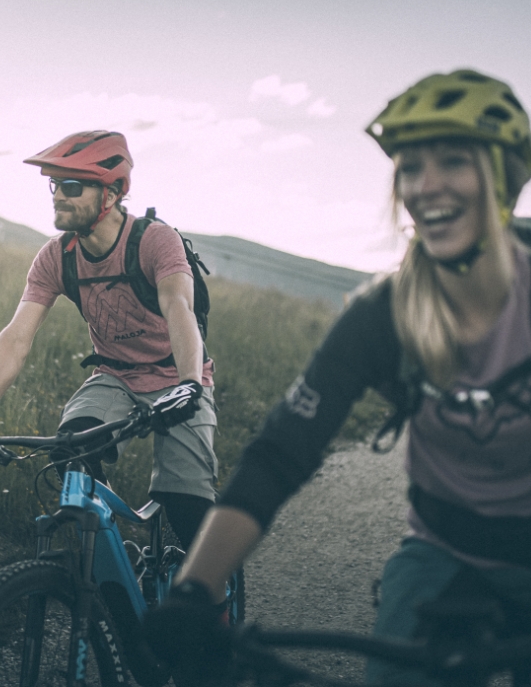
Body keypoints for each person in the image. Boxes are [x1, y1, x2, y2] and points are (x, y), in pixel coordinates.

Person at [142, 69, 531, 685]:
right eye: (409, 168)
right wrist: (194, 591)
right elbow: (278, 455)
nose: (425, 187)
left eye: (452, 161)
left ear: (503, 177)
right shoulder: (384, 315)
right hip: (443, 551)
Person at [0, 130, 217, 552]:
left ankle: (210, 609)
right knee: (70, 452)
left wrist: (191, 383)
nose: (58, 196)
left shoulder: (154, 240)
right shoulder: (56, 257)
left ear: (112, 192)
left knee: (186, 504)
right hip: (115, 377)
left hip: (179, 374)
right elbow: (14, 341)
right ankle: (109, 561)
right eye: (55, 185)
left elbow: (179, 309)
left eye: (72, 186)